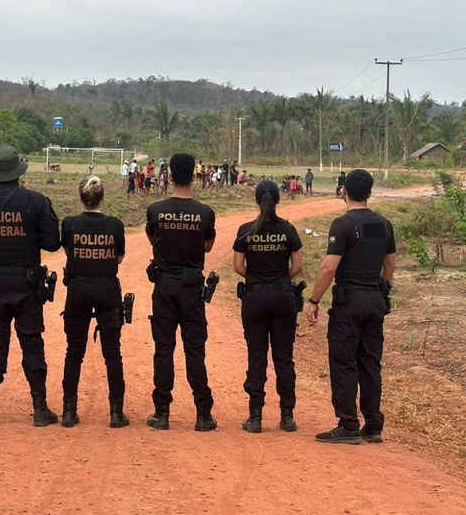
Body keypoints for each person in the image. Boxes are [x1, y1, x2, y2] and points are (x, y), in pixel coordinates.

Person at [0, 145, 62, 426]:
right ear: (19, 171)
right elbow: (52, 243)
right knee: (31, 342)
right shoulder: (37, 201)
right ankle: (40, 408)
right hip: (27, 283)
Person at [306, 169, 396, 444]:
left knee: (343, 360)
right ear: (370, 192)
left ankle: (348, 424)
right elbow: (390, 264)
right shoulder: (384, 224)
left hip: (349, 302)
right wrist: (381, 287)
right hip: (375, 299)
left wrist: (314, 300)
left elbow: (328, 268)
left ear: (344, 190)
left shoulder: (343, 225)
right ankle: (373, 424)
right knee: (370, 361)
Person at [145, 153, 217, 431]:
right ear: (194, 176)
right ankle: (203, 414)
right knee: (194, 349)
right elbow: (208, 246)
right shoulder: (205, 212)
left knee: (164, 349)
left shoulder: (156, 210)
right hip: (191, 287)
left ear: (171, 176)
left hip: (164, 286)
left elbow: (153, 238)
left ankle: (161, 412)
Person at [233, 180, 303, 433]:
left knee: (257, 356)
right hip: (284, 297)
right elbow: (297, 266)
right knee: (284, 357)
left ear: (256, 200)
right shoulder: (288, 230)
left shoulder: (245, 230)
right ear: (278, 200)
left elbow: (238, 266)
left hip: (255, 298)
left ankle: (255, 417)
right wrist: (280, 277)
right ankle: (287, 416)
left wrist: (257, 276)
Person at [60, 175, 129, 428]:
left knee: (73, 352)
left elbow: (68, 253)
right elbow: (119, 258)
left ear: (81, 197)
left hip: (77, 290)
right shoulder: (115, 225)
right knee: (112, 354)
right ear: (102, 197)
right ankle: (116, 413)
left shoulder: (70, 223)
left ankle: (68, 411)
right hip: (106, 291)